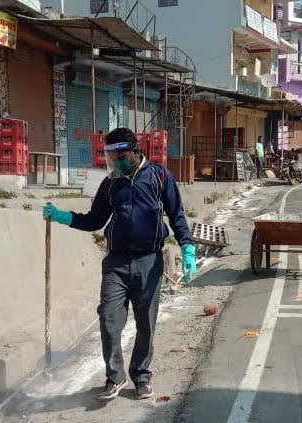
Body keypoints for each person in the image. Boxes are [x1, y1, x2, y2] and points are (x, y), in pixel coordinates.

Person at [42, 128, 196, 401]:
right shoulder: (110, 184)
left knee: (146, 324)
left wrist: (187, 246)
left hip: (149, 262)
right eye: (111, 156)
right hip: (116, 263)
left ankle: (141, 376)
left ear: (135, 152)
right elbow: (94, 220)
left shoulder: (160, 176)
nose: (115, 161)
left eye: (119, 155)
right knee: (109, 319)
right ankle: (115, 376)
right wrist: (64, 217)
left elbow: (177, 214)